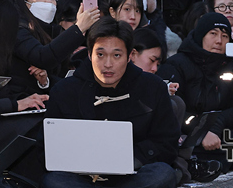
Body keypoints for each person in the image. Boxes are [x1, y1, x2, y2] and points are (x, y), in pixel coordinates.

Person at [42, 17, 179, 188]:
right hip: (81, 179)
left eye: (116, 55)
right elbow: (49, 148)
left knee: (163, 174)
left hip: (132, 177)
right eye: (100, 55)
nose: (108, 64)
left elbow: (167, 142)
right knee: (53, 181)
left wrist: (129, 159)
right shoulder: (64, 90)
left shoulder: (153, 87)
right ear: (89, 54)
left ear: (129, 56)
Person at [158, 13, 233, 172]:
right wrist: (201, 131)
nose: (219, 40)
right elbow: (171, 108)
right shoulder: (177, 65)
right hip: (189, 131)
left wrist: (217, 124)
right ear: (201, 36)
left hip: (222, 130)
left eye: (225, 36)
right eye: (213, 34)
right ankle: (232, 159)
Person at [11, 0, 101, 97]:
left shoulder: (54, 31)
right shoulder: (16, 29)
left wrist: (45, 82)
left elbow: (60, 74)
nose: (48, 1)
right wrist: (78, 28)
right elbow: (43, 57)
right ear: (24, 1)